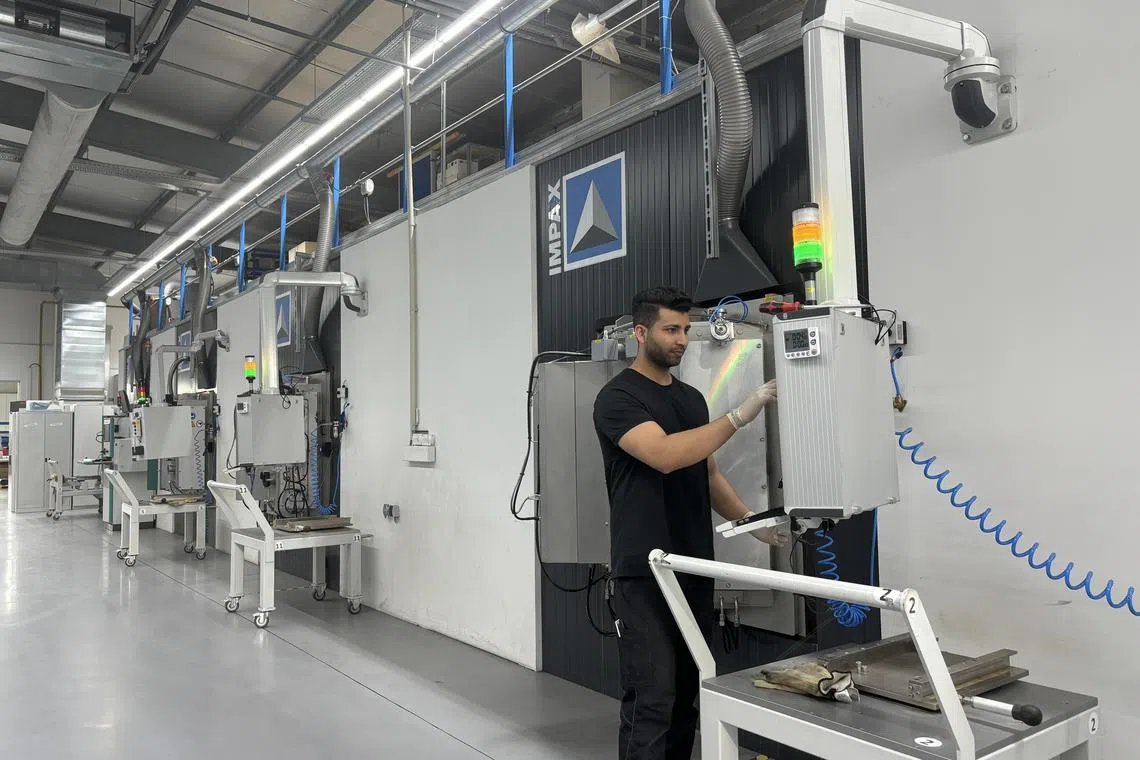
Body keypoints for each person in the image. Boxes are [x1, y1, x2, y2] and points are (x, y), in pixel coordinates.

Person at [592, 285, 787, 760]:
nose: (681, 339)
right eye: (670, 329)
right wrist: (740, 415)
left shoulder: (691, 399)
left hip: (693, 565)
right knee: (652, 696)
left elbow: (707, 473)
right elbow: (665, 455)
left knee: (686, 693)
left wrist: (753, 524)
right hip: (645, 571)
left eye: (684, 329)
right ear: (642, 333)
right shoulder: (617, 399)